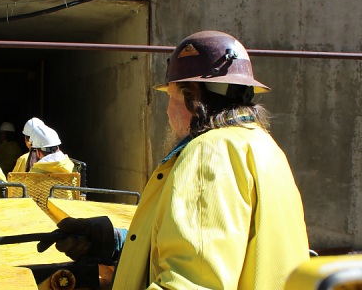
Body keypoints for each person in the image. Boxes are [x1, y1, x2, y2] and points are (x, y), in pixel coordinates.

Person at [38, 30, 310, 289]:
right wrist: (116, 242)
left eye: (170, 96)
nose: (167, 112)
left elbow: (194, 281)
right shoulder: (264, 147)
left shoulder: (209, 153)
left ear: (192, 96)